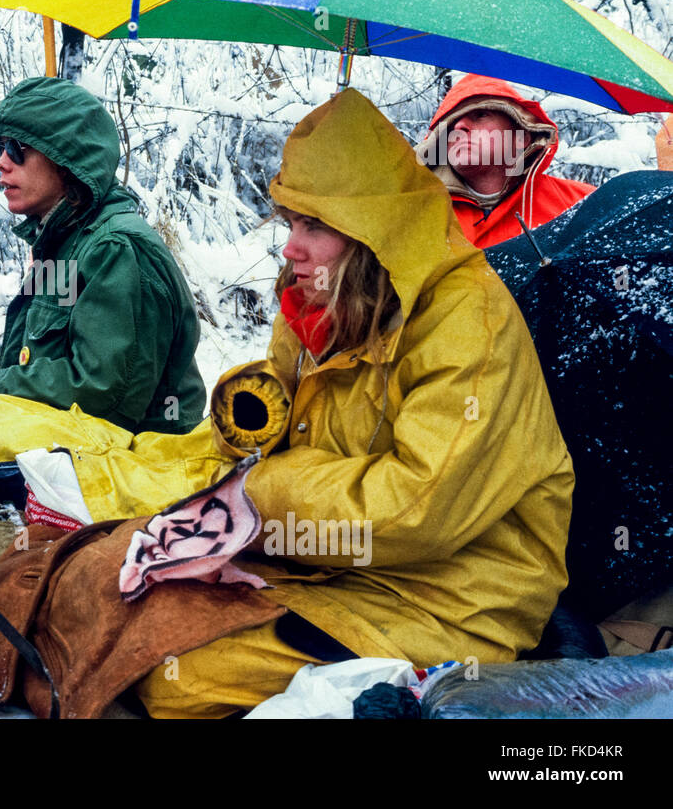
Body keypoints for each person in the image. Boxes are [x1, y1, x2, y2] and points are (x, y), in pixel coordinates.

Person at [137, 88, 574, 718]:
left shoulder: (467, 322)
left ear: (373, 232)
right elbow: (282, 432)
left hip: (453, 599)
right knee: (134, 599)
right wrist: (251, 422)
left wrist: (264, 495)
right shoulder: (321, 300)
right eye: (290, 223)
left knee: (179, 680)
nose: (291, 246)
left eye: (314, 225)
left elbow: (419, 507)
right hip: (330, 563)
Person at [0, 77, 206, 436]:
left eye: (17, 148)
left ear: (66, 159)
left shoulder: (115, 249)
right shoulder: (65, 242)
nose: (1, 162)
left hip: (137, 476)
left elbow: (98, 394)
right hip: (70, 467)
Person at [415, 73, 594, 248]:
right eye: (451, 124)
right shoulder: (415, 217)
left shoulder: (581, 205)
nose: (459, 127)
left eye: (480, 114)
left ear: (520, 137)